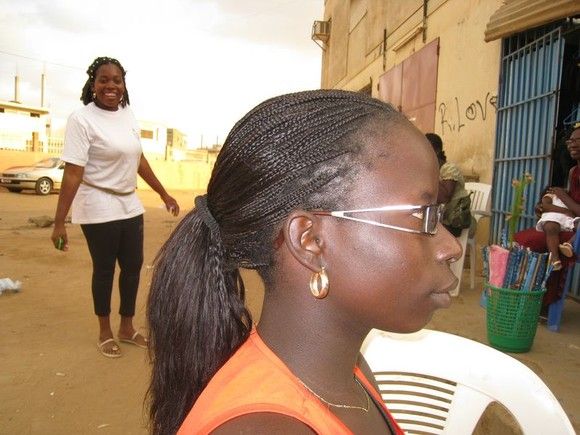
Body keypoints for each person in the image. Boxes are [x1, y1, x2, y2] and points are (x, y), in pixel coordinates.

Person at [147, 90, 462, 434]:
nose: (451, 247)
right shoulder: (265, 428)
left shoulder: (347, 371)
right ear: (311, 241)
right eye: (421, 215)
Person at [51, 56, 180, 359]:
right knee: (105, 269)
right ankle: (104, 331)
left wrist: (163, 194)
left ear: (124, 85)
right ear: (93, 84)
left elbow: (138, 159)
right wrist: (59, 222)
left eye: (117, 80)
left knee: (133, 266)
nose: (111, 86)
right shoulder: (81, 119)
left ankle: (126, 327)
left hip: (128, 203)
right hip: (97, 203)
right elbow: (73, 172)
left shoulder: (127, 114)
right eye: (104, 80)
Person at [514, 125, 580, 310]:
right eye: (570, 141)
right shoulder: (573, 171)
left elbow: (574, 206)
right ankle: (531, 299)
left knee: (543, 241)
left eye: (577, 140)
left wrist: (563, 197)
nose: (572, 144)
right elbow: (571, 202)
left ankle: (547, 302)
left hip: (577, 226)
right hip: (572, 221)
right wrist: (548, 205)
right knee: (527, 238)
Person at [425, 133, 472, 236]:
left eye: (426, 148)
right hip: (438, 219)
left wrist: (429, 174)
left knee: (422, 231)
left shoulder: (450, 169)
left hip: (454, 222)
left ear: (437, 151)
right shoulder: (428, 169)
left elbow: (444, 197)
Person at [536, 188, 579, 270]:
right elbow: (545, 206)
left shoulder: (567, 198)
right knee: (551, 228)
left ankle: (569, 244)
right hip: (554, 218)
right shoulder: (550, 195)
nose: (565, 190)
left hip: (567, 220)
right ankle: (555, 259)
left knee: (578, 225)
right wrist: (565, 211)